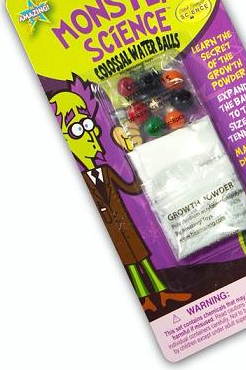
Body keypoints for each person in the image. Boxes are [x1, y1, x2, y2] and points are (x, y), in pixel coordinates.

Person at [50, 81, 192, 313]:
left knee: (141, 256)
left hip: (129, 227)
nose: (91, 134)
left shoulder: (107, 171)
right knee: (130, 263)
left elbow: (132, 187)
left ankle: (161, 291)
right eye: (77, 129)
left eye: (88, 124)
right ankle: (145, 296)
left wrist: (134, 155)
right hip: (113, 232)